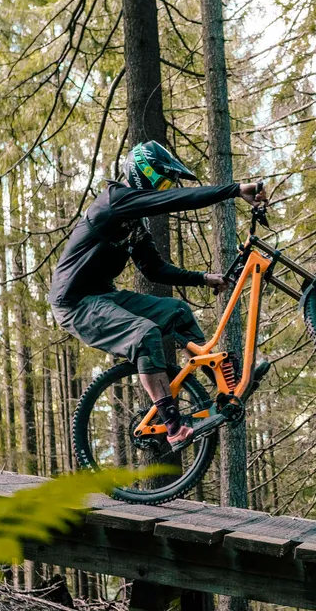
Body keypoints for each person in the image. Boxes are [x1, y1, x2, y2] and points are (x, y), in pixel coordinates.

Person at [50, 140, 267, 447]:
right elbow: (177, 200)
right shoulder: (114, 201)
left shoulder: (133, 224)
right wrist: (233, 190)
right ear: (143, 174)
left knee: (176, 312)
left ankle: (224, 384)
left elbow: (154, 270)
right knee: (143, 335)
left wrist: (202, 278)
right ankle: (173, 427)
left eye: (166, 184)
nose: (163, 189)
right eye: (161, 181)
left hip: (103, 298)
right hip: (74, 304)